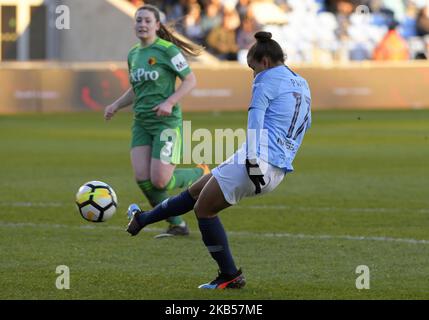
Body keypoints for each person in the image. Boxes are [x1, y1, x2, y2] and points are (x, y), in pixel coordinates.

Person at [126, 31, 312, 289]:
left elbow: (255, 120)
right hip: (274, 164)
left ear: (265, 62)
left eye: (253, 68)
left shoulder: (265, 80)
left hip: (255, 160)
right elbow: (304, 125)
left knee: (204, 209)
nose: (253, 74)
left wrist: (252, 159)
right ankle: (142, 219)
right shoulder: (301, 83)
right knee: (196, 190)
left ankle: (230, 275)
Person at [104, 4, 210, 238]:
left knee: (160, 181)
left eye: (147, 21)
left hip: (166, 123)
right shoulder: (133, 54)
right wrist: (115, 105)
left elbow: (190, 80)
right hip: (141, 123)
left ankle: (199, 172)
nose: (142, 24)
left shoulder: (167, 50)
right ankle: (177, 225)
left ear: (157, 25)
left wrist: (170, 102)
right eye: (138, 20)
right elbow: (135, 89)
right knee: (143, 179)